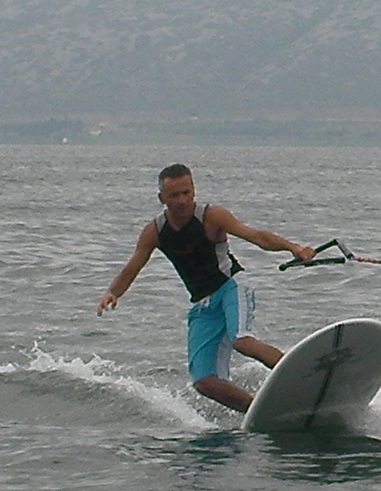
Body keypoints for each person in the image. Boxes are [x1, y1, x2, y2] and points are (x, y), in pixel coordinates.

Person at [98, 163, 317, 411]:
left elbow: (256, 237)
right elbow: (133, 266)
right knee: (204, 382)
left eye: (186, 192)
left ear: (194, 190)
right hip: (203, 304)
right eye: (174, 195)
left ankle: (308, 377)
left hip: (231, 286)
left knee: (242, 341)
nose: (182, 200)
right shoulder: (155, 231)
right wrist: (113, 292)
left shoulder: (212, 216)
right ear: (162, 198)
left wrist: (293, 248)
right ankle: (262, 412)